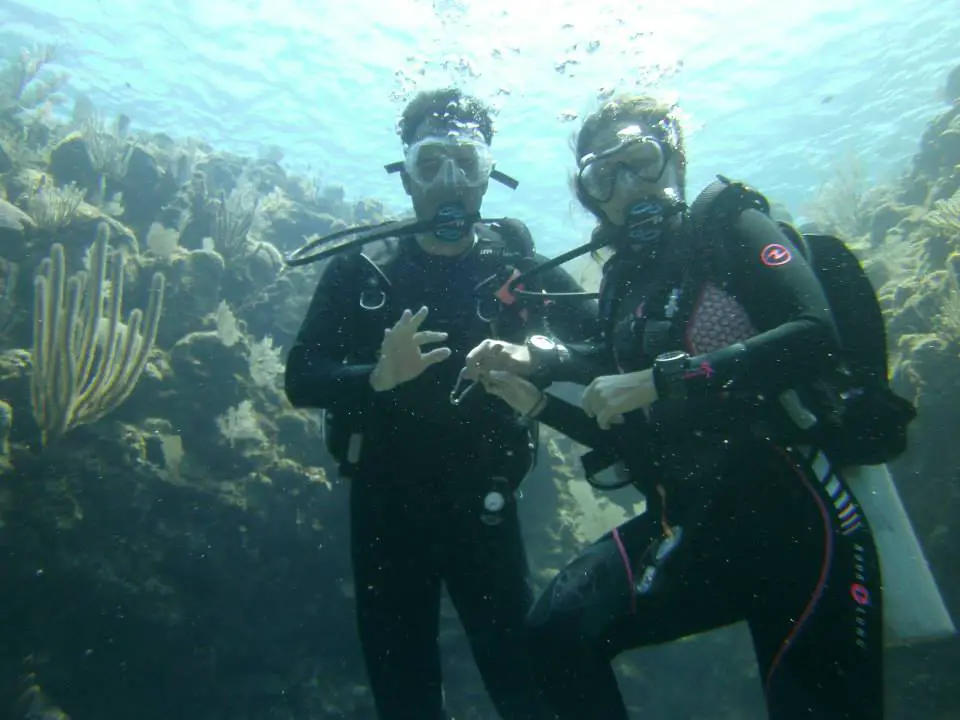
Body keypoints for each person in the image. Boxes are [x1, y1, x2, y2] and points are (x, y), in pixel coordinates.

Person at [463, 94, 917, 719]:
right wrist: (537, 376)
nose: (628, 186)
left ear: (675, 159)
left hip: (795, 522)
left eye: (642, 160)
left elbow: (813, 334)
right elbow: (620, 395)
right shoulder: (625, 279)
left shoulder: (729, 226)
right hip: (693, 525)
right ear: (591, 195)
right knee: (557, 632)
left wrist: (665, 378)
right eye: (605, 176)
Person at [284, 87, 597, 720]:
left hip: (486, 504)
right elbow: (302, 378)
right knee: (404, 694)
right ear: (407, 177)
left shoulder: (521, 271)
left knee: (521, 683)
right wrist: (377, 375)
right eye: (431, 164)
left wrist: (539, 355)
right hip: (384, 508)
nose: (449, 183)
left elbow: (604, 344)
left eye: (466, 163)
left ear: (488, 177)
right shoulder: (362, 272)